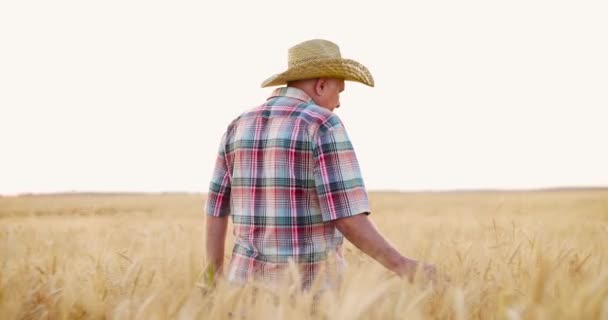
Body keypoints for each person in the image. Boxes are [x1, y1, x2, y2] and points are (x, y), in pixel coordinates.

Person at [205, 39, 435, 289]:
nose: (339, 103)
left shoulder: (238, 124)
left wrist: (212, 279)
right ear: (322, 84)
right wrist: (403, 265)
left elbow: (216, 210)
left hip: (242, 293)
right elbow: (347, 217)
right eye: (340, 91)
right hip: (307, 294)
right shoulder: (323, 124)